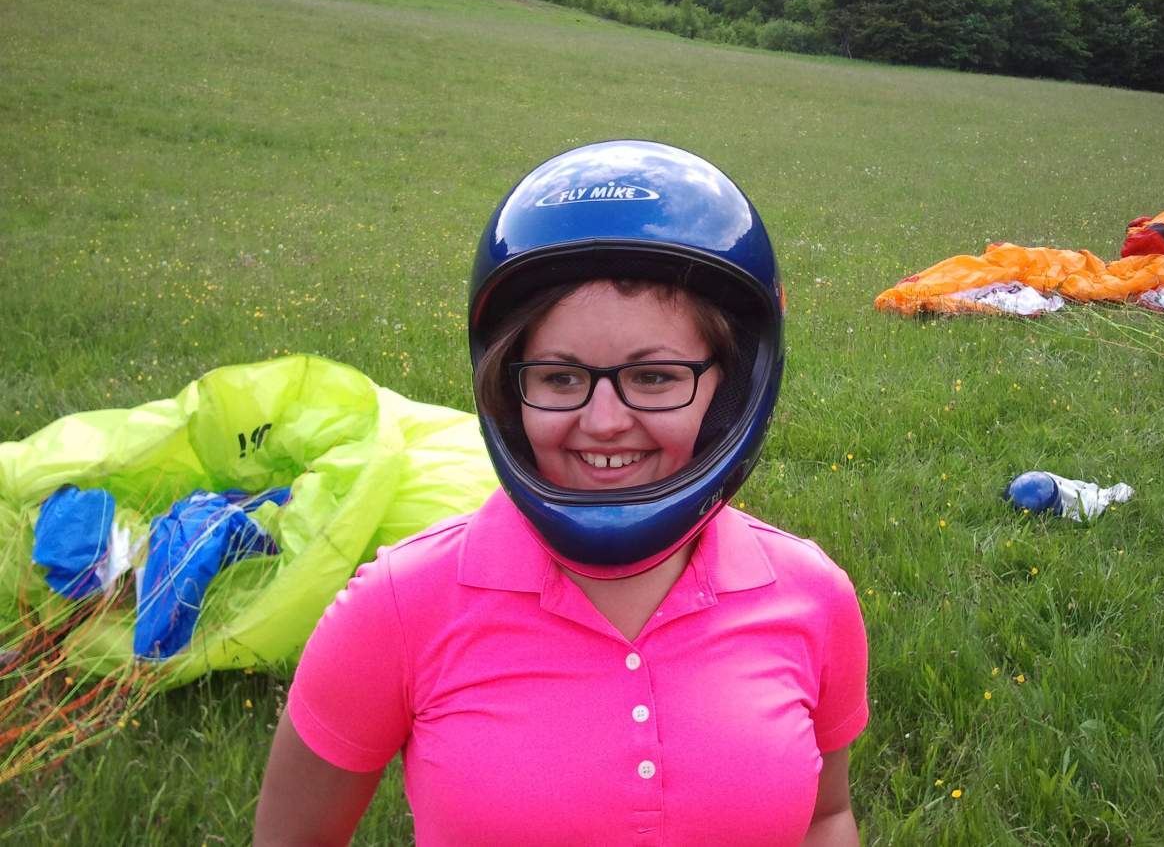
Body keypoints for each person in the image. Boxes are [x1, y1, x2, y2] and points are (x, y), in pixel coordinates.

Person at [255, 140, 869, 846]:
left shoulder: (810, 595)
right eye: (559, 377)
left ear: (730, 390)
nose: (603, 421)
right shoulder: (400, 603)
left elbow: (826, 815)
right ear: (507, 388)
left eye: (655, 377)